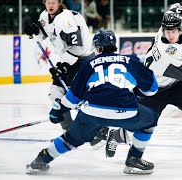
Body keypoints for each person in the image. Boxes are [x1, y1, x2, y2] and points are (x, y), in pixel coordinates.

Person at [105, 2, 182, 166]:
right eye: (167, 31)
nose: (170, 35)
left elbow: (179, 6)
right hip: (153, 89)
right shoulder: (165, 52)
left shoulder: (177, 20)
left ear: (181, 28)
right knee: (140, 127)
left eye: (173, 31)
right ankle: (115, 135)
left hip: (174, 84)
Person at [26, 29, 159, 175]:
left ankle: (40, 160)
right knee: (151, 119)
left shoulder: (89, 64)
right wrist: (137, 92)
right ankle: (134, 160)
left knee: (70, 139)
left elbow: (73, 98)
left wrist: (59, 110)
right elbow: (152, 89)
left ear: (98, 48)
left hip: (92, 112)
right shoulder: (131, 61)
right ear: (114, 46)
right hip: (125, 112)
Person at [24, 0, 107, 147]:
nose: (50, 5)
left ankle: (96, 133)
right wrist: (35, 32)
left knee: (74, 97)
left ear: (59, 3)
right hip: (70, 61)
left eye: (53, 2)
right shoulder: (45, 16)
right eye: (48, 2)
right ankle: (71, 132)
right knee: (56, 94)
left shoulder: (66, 20)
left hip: (83, 61)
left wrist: (64, 65)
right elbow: (43, 35)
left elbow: (78, 47)